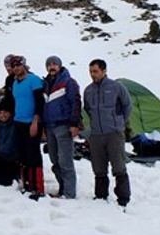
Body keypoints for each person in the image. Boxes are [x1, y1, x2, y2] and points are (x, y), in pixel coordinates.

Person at [83, 59, 132, 206]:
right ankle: (100, 195)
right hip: (96, 134)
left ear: (104, 71)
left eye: (96, 71)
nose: (93, 74)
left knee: (118, 166)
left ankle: (123, 198)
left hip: (114, 133)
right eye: (91, 71)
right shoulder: (88, 90)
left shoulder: (116, 87)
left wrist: (119, 122)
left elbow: (127, 106)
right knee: (98, 167)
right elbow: (87, 109)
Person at [42, 55, 81, 199]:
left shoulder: (68, 82)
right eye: (49, 64)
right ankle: (62, 188)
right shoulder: (46, 84)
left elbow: (75, 102)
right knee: (54, 160)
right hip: (50, 127)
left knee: (65, 161)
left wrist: (74, 124)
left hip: (63, 125)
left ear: (59, 65)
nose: (52, 66)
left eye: (54, 64)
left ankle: (69, 193)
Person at [9, 55, 45, 200]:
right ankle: (27, 185)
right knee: (22, 154)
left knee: (34, 154)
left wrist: (36, 121)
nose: (17, 68)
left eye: (19, 65)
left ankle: (38, 188)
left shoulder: (33, 80)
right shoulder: (15, 83)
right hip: (19, 122)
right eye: (14, 66)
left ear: (24, 65)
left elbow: (40, 102)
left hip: (32, 122)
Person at [0, 94, 18, 187]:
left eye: (5, 112)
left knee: (5, 182)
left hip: (11, 159)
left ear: (10, 113)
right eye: (0, 113)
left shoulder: (14, 126)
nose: (3, 115)